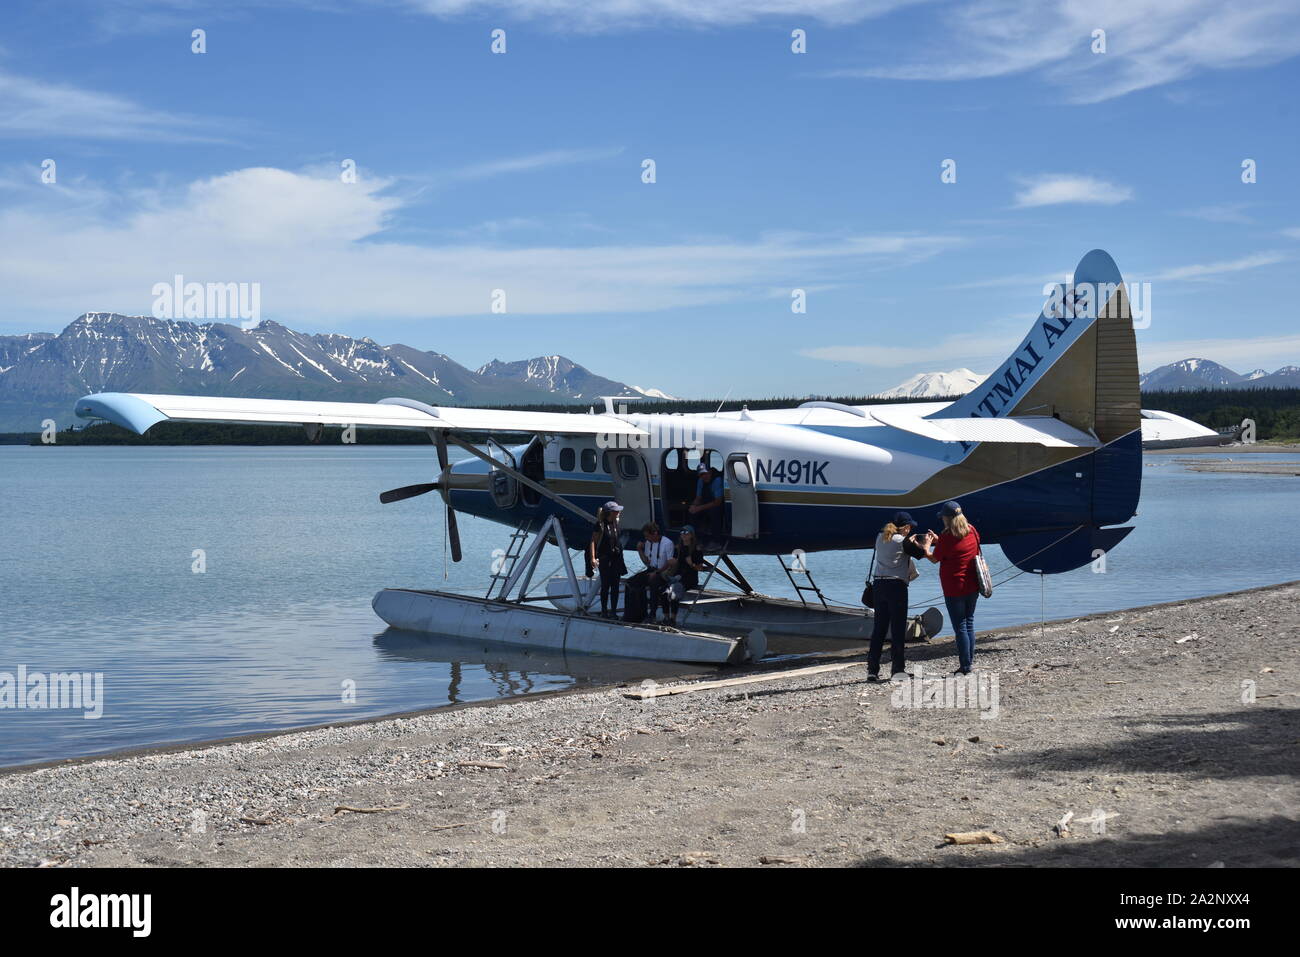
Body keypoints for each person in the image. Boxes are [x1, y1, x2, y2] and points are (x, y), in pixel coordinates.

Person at [921, 500, 981, 674]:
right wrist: (939, 541)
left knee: (960, 626)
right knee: (969, 623)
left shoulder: (947, 536)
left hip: (954, 588)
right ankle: (969, 663)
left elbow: (934, 558)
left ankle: (965, 666)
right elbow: (959, 548)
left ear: (947, 518)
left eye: (943, 518)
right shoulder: (972, 530)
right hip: (972, 585)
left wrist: (926, 546)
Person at [867, 511, 921, 681]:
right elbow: (920, 554)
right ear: (905, 527)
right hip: (896, 586)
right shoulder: (903, 541)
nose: (910, 530)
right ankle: (897, 670)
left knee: (879, 630)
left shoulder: (879, 537)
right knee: (897, 630)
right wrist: (925, 543)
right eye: (910, 527)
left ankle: (872, 670)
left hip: (879, 585)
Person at [626, 522, 676, 623]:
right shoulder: (649, 543)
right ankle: (636, 612)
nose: (646, 538)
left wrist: (657, 572)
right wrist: (640, 550)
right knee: (631, 582)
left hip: (663, 572)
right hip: (651, 569)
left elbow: (669, 563)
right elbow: (647, 562)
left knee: (654, 583)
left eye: (648, 536)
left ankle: (652, 614)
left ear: (655, 533)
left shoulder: (667, 543)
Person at [588, 501, 626, 618]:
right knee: (605, 585)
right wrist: (593, 558)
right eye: (616, 511)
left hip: (616, 558)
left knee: (615, 585)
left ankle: (613, 611)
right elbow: (593, 541)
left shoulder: (616, 523)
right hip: (605, 558)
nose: (619, 512)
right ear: (610, 512)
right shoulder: (600, 525)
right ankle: (604, 610)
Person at [666, 524, 707, 626]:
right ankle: (665, 616)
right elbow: (674, 563)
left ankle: (672, 619)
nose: (683, 535)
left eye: (686, 533)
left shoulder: (696, 549)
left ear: (691, 535)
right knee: (662, 587)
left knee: (675, 589)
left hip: (690, 577)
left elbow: (700, 568)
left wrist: (691, 564)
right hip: (677, 576)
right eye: (681, 533)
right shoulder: (678, 548)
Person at [688, 463, 724, 539]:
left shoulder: (717, 480)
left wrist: (699, 508)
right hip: (706, 503)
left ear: (710, 472)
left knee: (715, 512)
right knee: (692, 512)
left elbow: (718, 501)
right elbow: (698, 497)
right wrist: (694, 506)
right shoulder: (700, 481)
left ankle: (716, 540)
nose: (704, 476)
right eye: (701, 474)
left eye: (706, 473)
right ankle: (695, 537)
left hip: (716, 504)